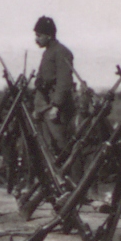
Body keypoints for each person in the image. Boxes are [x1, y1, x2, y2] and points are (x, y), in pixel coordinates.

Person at [33, 16, 75, 161]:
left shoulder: (61, 52)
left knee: (62, 144)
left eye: (39, 36)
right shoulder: (48, 52)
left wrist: (56, 106)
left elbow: (64, 81)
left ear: (49, 35)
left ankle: (74, 180)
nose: (36, 39)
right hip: (45, 105)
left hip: (55, 108)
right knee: (48, 146)